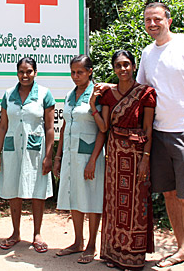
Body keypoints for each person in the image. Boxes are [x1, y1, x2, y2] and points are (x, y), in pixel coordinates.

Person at [136, 2, 184, 271]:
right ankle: (181, 250)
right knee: (169, 194)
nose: (152, 24)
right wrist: (109, 88)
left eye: (157, 19)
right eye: (147, 20)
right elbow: (139, 91)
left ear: (168, 20)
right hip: (158, 133)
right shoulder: (147, 53)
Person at [89, 50, 156, 270]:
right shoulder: (108, 95)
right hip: (115, 156)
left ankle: (133, 256)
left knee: (136, 203)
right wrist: (93, 106)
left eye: (126, 64)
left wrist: (146, 157)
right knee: (115, 203)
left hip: (137, 155)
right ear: (114, 69)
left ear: (134, 66)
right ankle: (114, 253)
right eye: (118, 66)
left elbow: (148, 128)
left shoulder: (145, 94)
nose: (123, 69)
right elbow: (104, 127)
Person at [0, 57, 55, 254]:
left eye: (29, 71)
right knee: (13, 189)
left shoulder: (45, 94)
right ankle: (15, 232)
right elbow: (3, 126)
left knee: (37, 190)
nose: (25, 75)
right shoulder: (8, 95)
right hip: (12, 149)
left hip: (36, 150)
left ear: (35, 72)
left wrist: (48, 156)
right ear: (17, 73)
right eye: (21, 71)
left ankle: (37, 234)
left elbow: (50, 128)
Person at [53, 55, 104, 264]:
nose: (75, 76)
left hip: (90, 155)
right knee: (74, 195)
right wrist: (58, 155)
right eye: (73, 72)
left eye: (80, 72)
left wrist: (93, 160)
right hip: (71, 155)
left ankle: (91, 244)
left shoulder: (99, 94)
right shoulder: (69, 95)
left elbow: (103, 130)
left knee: (91, 198)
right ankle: (77, 242)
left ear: (90, 71)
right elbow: (65, 125)